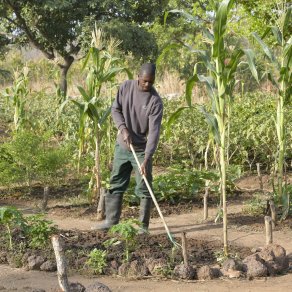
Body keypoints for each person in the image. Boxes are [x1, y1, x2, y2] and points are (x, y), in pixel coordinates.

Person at [93, 63, 163, 232]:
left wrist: (146, 159)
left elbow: (154, 133)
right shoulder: (126, 87)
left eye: (151, 82)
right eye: (145, 81)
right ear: (138, 76)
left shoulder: (155, 102)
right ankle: (111, 221)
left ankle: (143, 227)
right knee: (116, 182)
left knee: (144, 187)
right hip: (123, 147)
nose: (147, 85)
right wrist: (123, 129)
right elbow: (115, 109)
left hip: (140, 150)